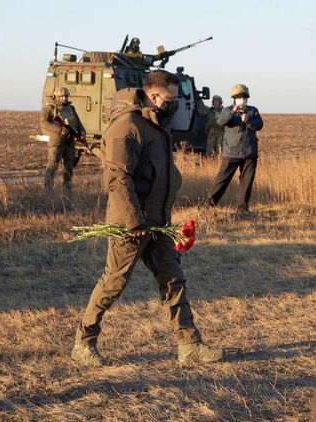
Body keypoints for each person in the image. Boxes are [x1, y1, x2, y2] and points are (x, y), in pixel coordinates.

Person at [71, 70, 223, 367]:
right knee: (113, 283)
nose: (175, 103)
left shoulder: (157, 124)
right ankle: (83, 342)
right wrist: (134, 222)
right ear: (154, 97)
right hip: (132, 225)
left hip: (158, 222)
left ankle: (189, 345)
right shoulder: (126, 127)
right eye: (171, 98)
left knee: (172, 279)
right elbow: (117, 179)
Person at [206, 84, 264, 214]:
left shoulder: (253, 111)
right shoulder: (227, 110)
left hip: (249, 152)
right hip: (231, 152)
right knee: (222, 179)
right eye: (239, 97)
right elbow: (220, 122)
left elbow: (259, 125)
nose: (242, 99)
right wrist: (234, 111)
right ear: (234, 98)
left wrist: (247, 120)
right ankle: (208, 205)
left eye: (244, 97)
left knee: (247, 181)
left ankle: (242, 208)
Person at [40, 87, 85, 191]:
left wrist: (82, 131)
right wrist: (59, 130)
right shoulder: (50, 108)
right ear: (57, 97)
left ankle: (67, 189)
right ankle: (48, 190)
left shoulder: (71, 108)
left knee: (69, 166)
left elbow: (77, 121)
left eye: (66, 96)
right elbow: (44, 123)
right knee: (53, 165)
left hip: (70, 141)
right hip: (57, 142)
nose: (64, 98)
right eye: (62, 96)